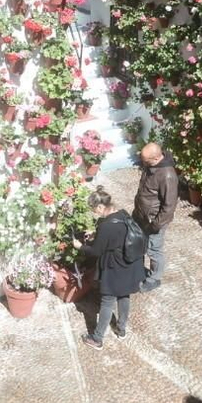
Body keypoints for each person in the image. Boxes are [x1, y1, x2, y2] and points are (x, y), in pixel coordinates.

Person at [78, 188, 143, 349]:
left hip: (115, 267)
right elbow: (116, 237)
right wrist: (97, 234)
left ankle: (97, 339)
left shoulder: (107, 226)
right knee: (124, 296)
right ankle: (121, 329)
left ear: (101, 207)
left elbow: (96, 251)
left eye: (95, 210)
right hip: (129, 264)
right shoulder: (123, 214)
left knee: (107, 301)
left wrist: (80, 246)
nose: (95, 213)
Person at [133, 142, 178, 292]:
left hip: (153, 221)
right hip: (141, 215)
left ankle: (154, 278)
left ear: (156, 158)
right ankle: (137, 271)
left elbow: (169, 207)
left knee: (154, 250)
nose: (142, 163)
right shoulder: (151, 165)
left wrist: (155, 226)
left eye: (145, 160)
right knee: (138, 243)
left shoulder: (167, 175)